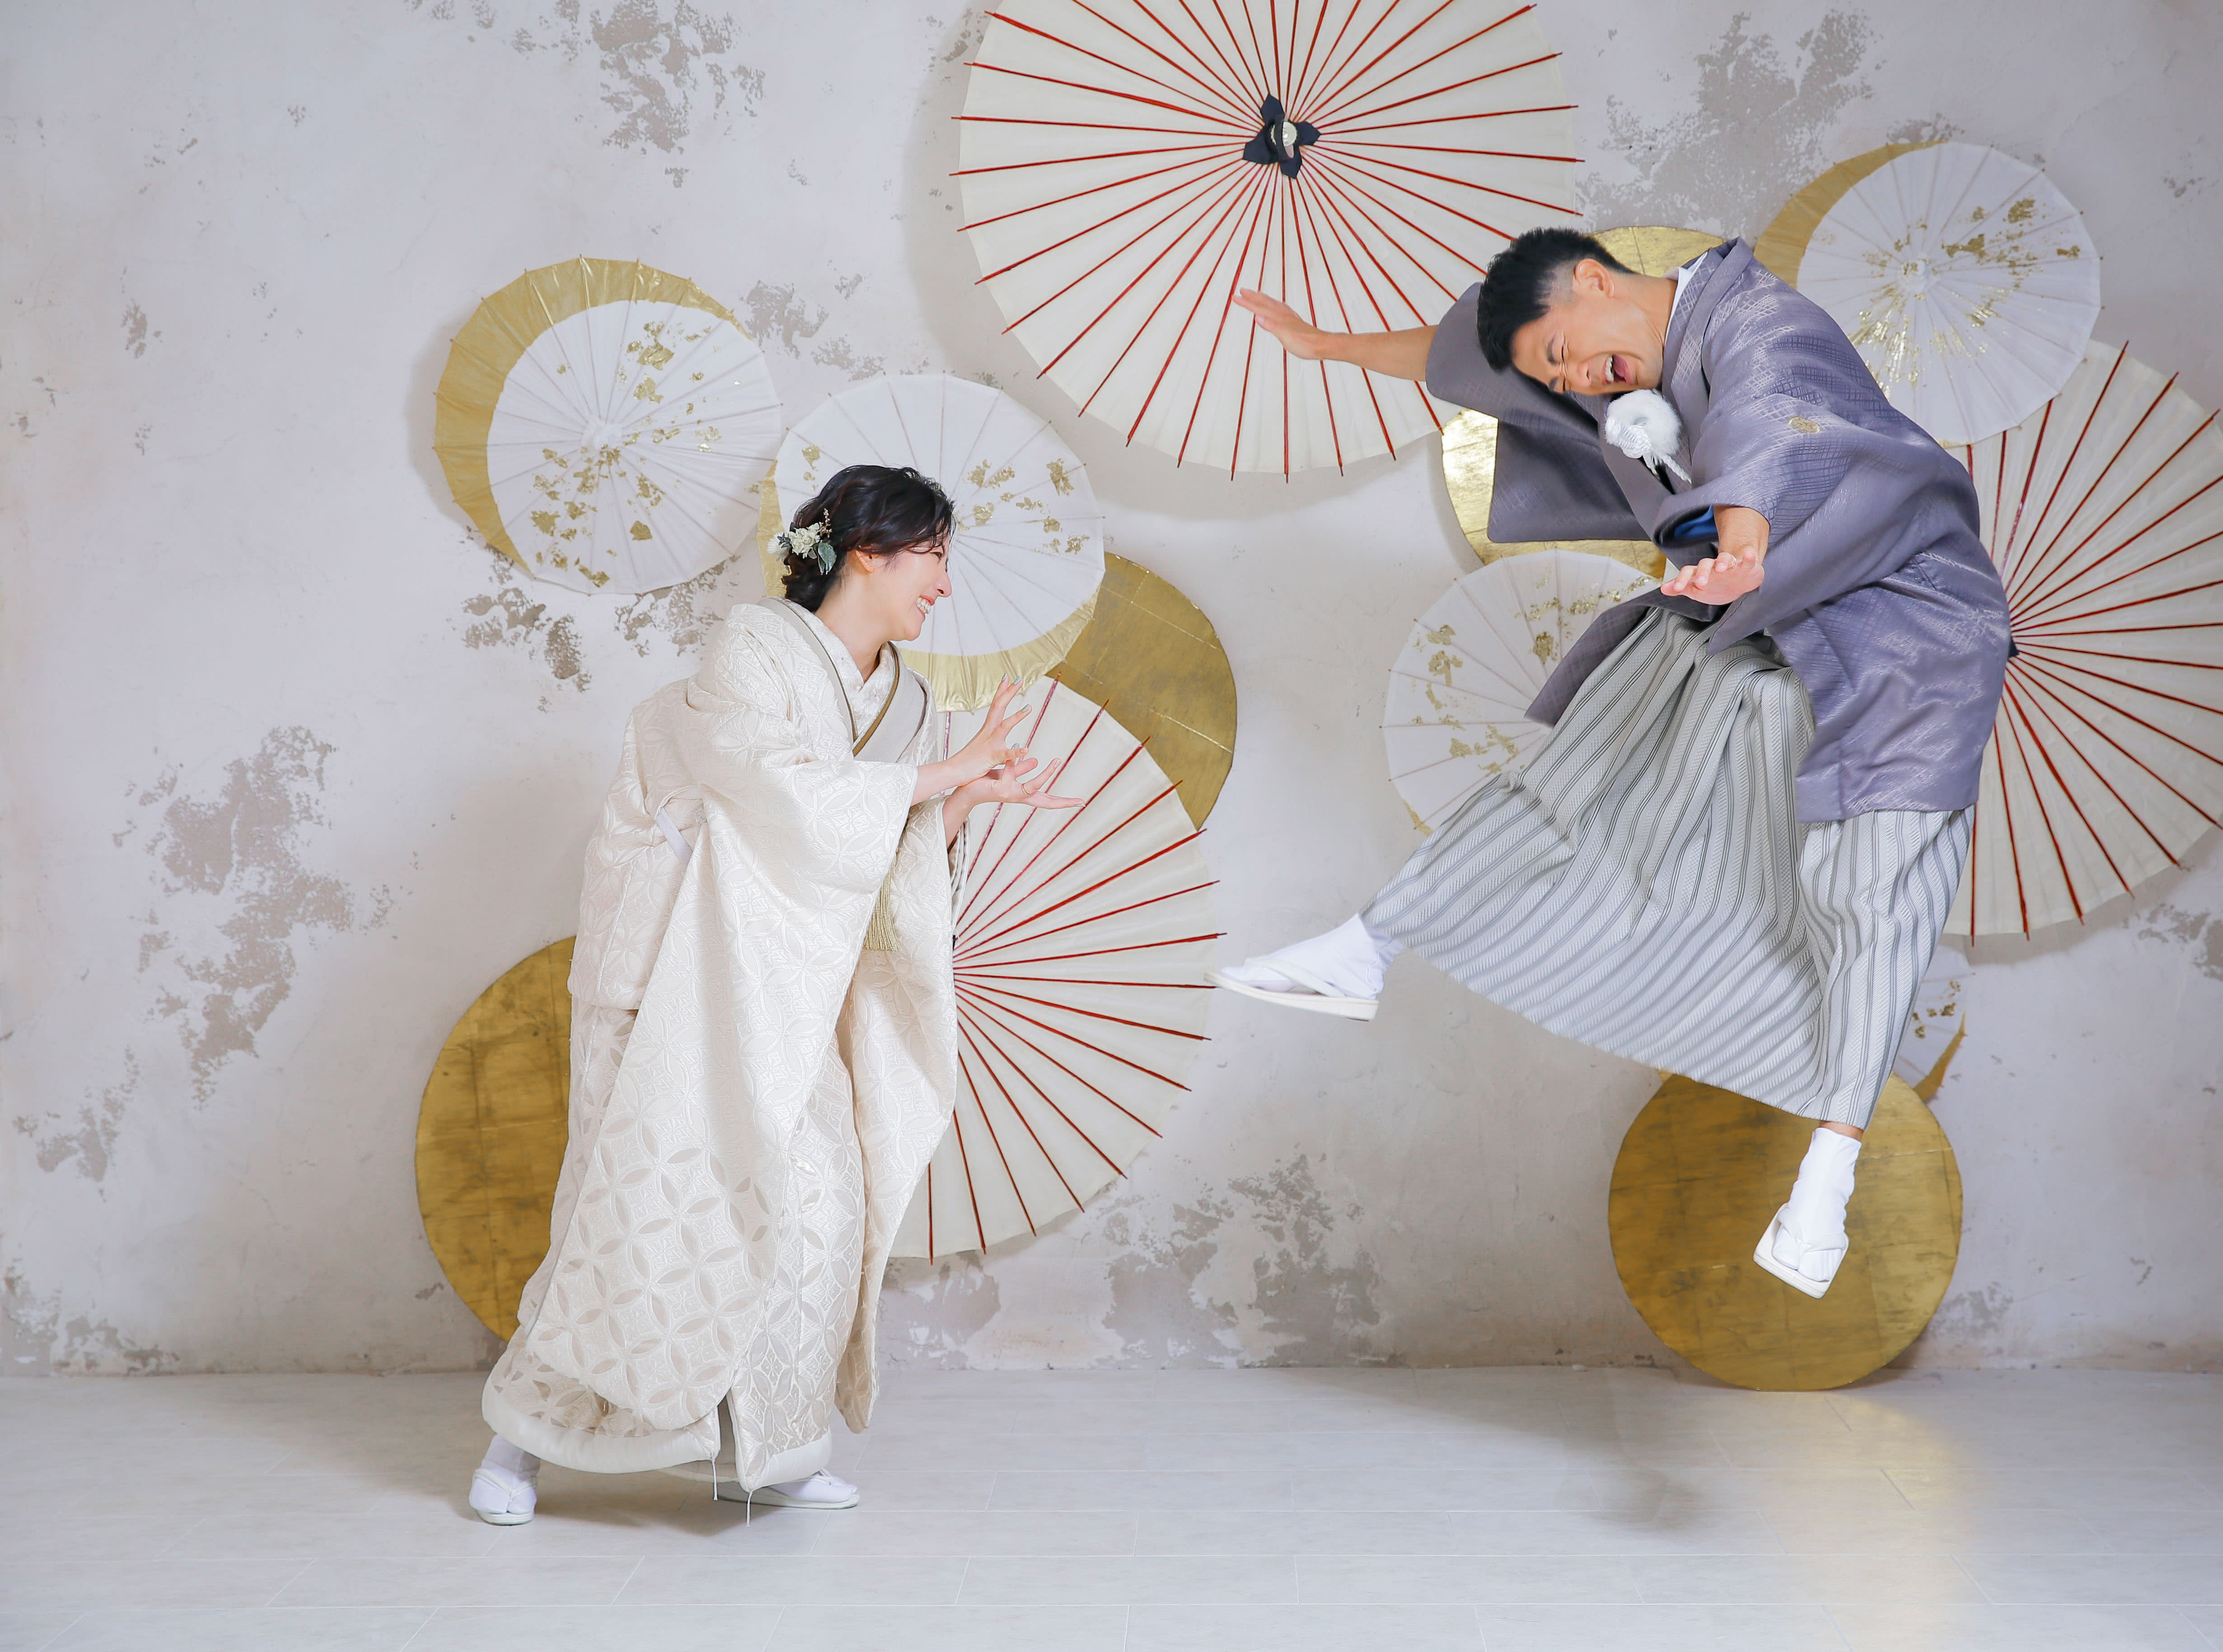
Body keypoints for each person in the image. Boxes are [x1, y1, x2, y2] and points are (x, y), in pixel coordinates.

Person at [1214, 230, 2011, 1299]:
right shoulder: (1615, 366)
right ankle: (1370, 943)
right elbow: (1475, 361)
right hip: (1759, 609)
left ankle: (1824, 1184)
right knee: (1584, 762)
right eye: (1559, 382)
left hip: (1901, 625)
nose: (1578, 383)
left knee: (1867, 888)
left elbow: (1775, 424)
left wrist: (1742, 545)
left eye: (1566, 354)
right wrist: (1329, 347)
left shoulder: (1761, 324)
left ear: (1593, 280)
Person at [468, 465, 1077, 1525]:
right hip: (669, 968)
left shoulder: (908, 700)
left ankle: (776, 1446)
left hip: (789, 987)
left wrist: (963, 798)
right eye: (933, 554)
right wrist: (936, 778)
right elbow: (768, 787)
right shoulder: (754, 645)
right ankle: (522, 1444)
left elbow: (881, 849)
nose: (944, 581)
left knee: (818, 1207)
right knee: (636, 1211)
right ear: (868, 552)